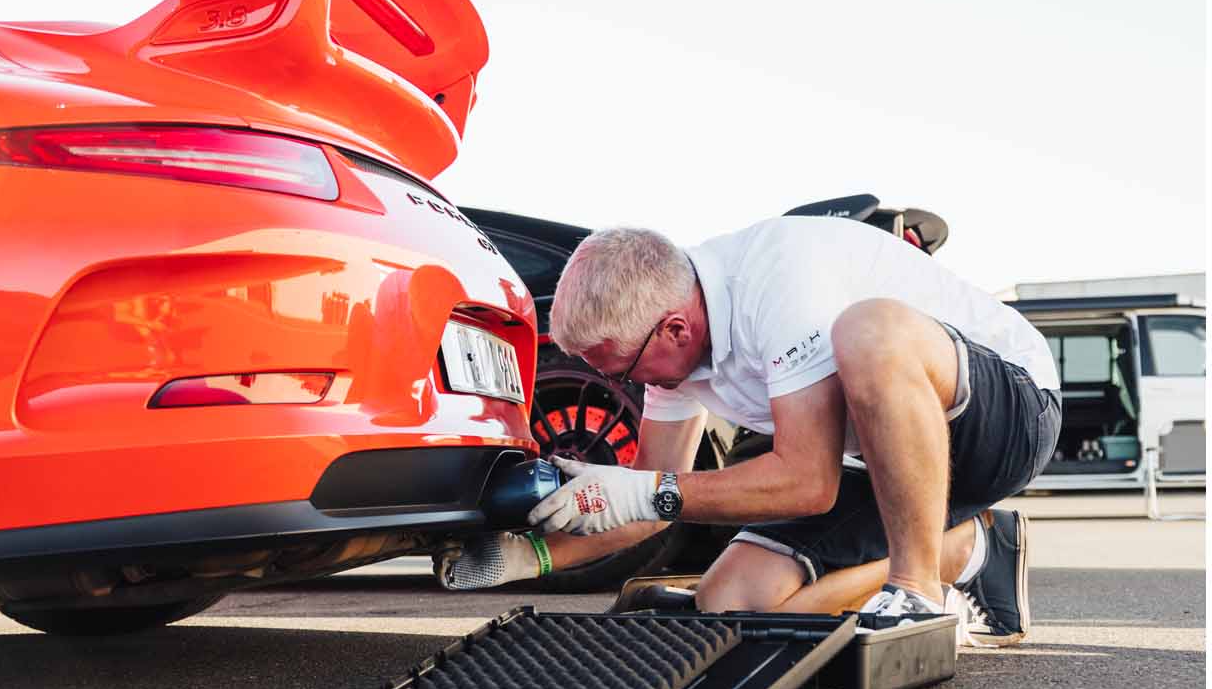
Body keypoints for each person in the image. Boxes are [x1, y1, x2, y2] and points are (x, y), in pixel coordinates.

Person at [437, 216, 1053, 640]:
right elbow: (651, 505)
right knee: (730, 603)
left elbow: (808, 483)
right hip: (889, 467)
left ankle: (915, 588)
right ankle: (965, 549)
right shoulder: (671, 350)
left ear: (675, 328)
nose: (626, 383)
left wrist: (648, 489)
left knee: (868, 333)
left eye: (622, 368)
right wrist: (532, 554)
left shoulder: (779, 283)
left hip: (1003, 418)